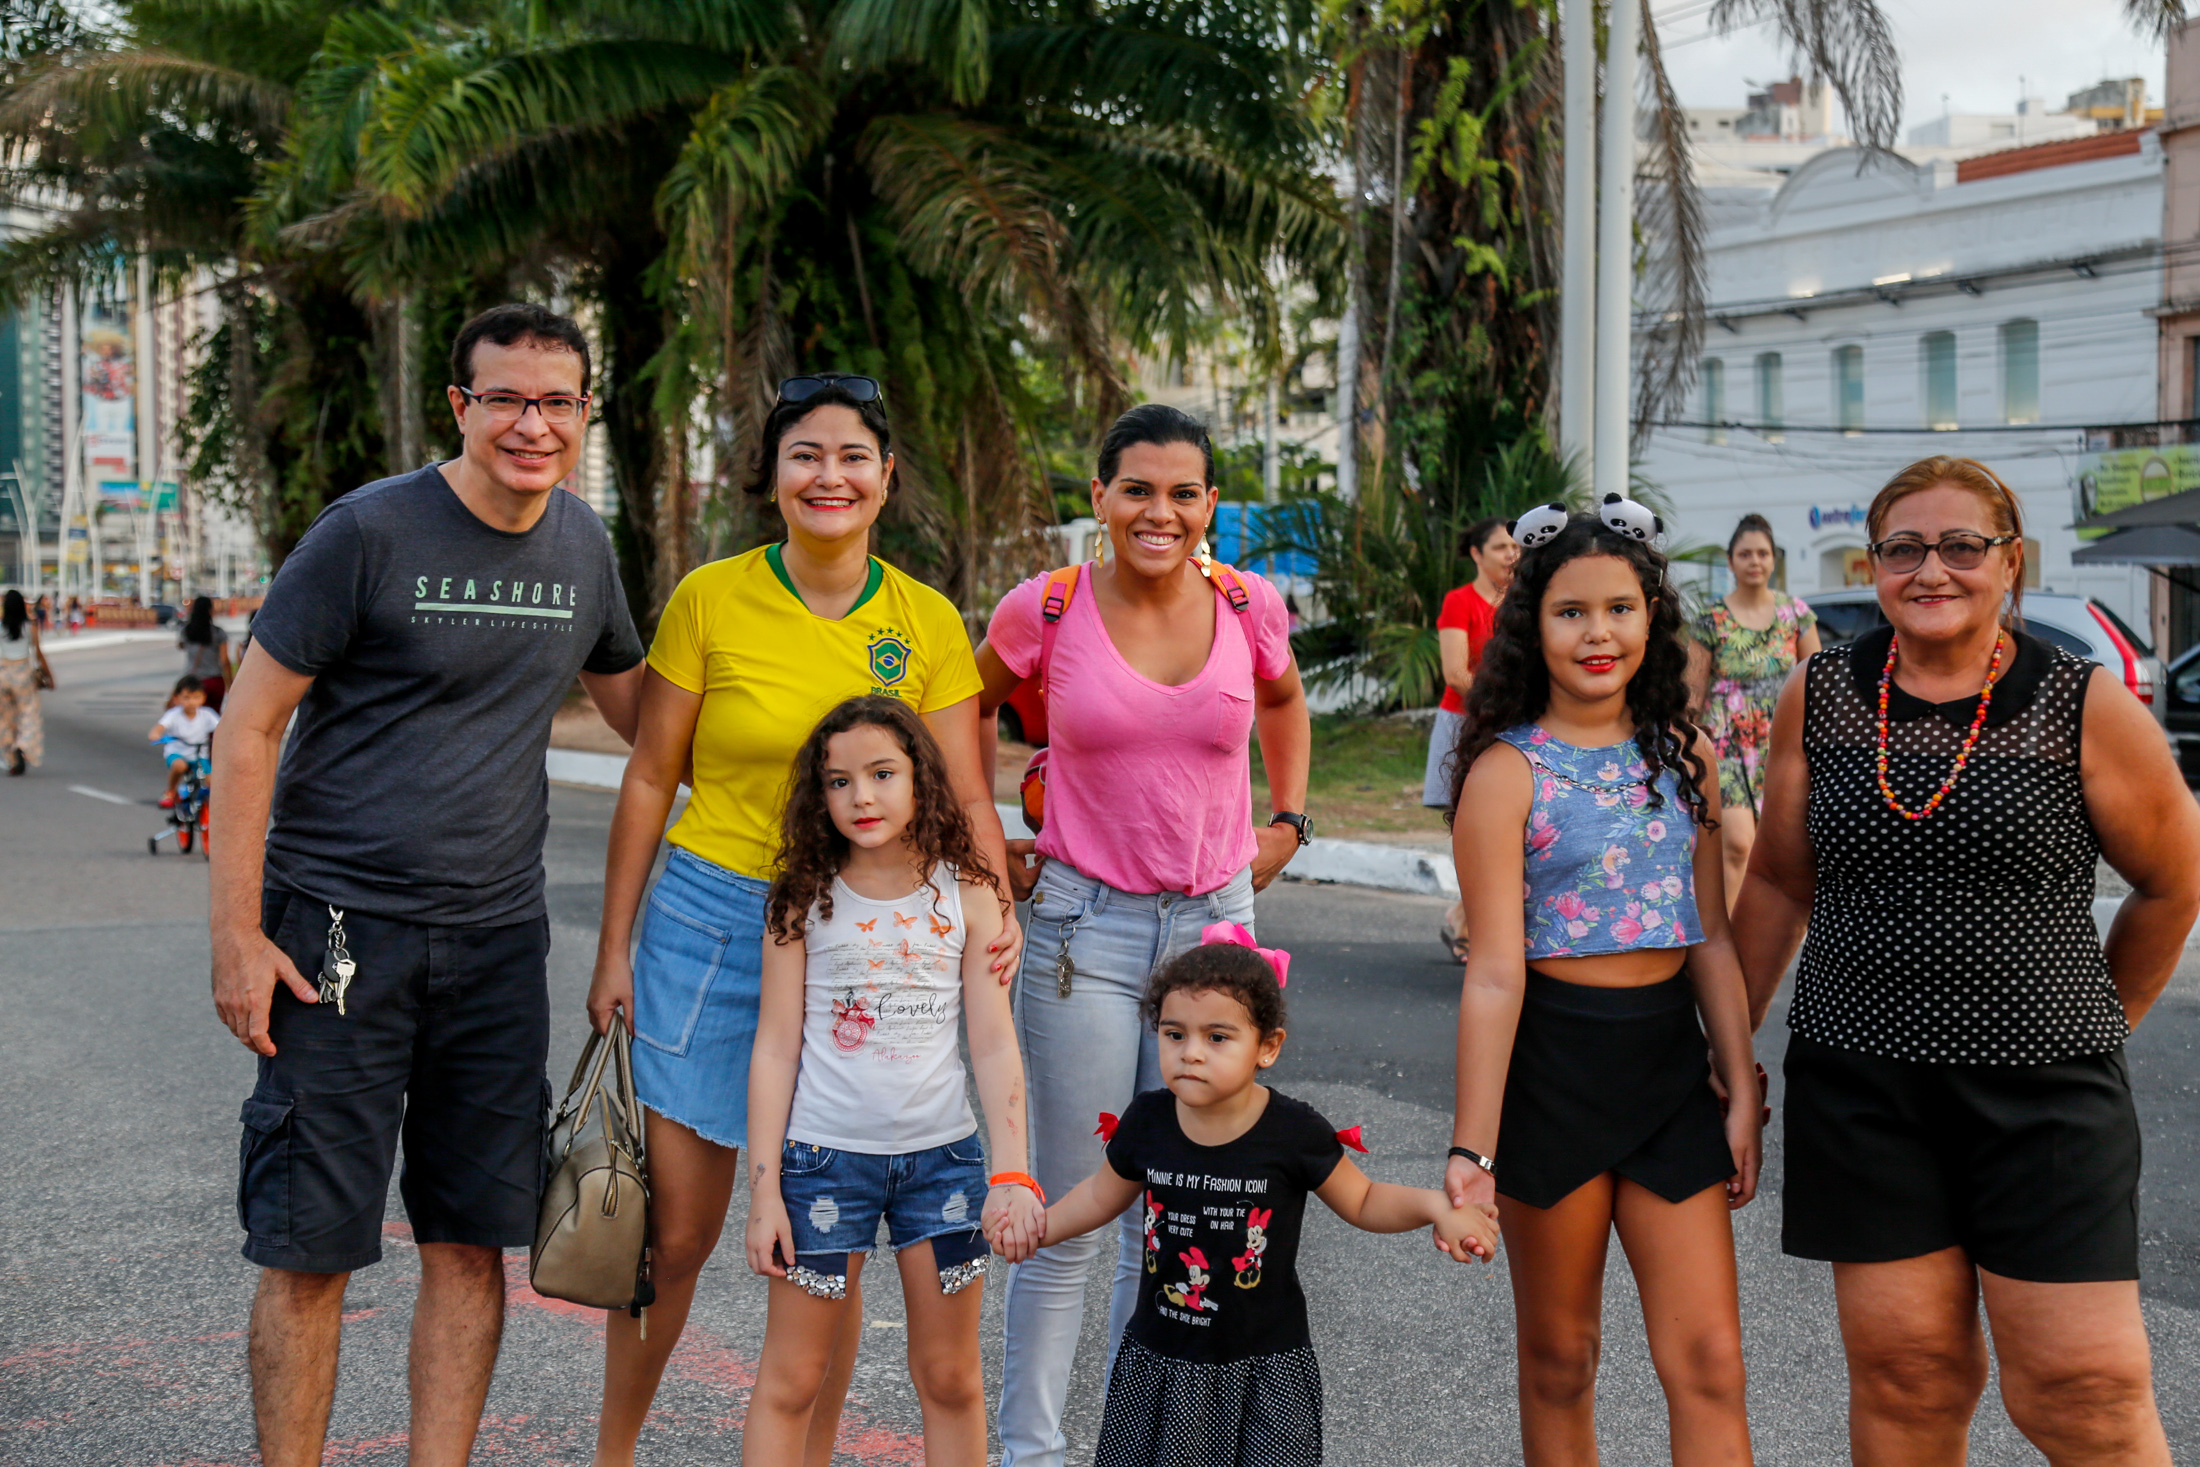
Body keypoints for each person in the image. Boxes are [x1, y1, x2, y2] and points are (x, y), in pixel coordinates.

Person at [208, 303, 646, 1467]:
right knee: (310, 1247)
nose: (530, 424)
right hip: (337, 939)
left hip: (498, 947)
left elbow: (653, 721)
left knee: (470, 1243)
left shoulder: (582, 548)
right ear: (459, 407)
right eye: (503, 397)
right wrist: (239, 938)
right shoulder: (368, 534)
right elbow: (247, 730)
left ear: (585, 415)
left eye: (555, 401)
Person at [586, 373, 1019, 1467]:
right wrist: (611, 947)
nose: (830, 476)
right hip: (717, 920)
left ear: (885, 477)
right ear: (772, 478)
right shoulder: (711, 599)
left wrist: (993, 900)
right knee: (676, 1233)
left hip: (868, 927)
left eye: (852, 456)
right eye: (805, 456)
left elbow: (965, 787)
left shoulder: (921, 617)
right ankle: (614, 1450)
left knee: (833, 1245)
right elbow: (649, 778)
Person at [1733, 456, 2200, 1466]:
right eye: (1903, 547)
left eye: (1959, 546)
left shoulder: (2078, 702)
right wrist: (1725, 1055)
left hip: (2044, 1100)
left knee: (2084, 1391)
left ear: (2008, 562)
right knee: (1909, 1378)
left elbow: (2170, 884)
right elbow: (1776, 881)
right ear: (1876, 563)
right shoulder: (1823, 694)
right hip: (1862, 1092)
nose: (1929, 568)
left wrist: (2099, 1021)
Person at [973, 402, 1312, 1467]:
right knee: (1070, 1203)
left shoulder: (1249, 603)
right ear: (1099, 499)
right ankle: (1031, 1449)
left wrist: (1288, 822)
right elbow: (964, 707)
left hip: (1216, 929)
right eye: (1137, 490)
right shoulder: (1048, 606)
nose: (1158, 511)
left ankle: (1141, 1446)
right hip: (1085, 927)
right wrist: (988, 834)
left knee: (1162, 1208)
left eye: (1182, 492)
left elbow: (1285, 699)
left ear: (1210, 505)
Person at [1445, 501, 1761, 1465]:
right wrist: (1473, 1150)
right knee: (1560, 1358)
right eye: (1571, 612)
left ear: (1650, 616)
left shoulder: (1686, 755)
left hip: (1670, 1074)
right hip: (1553, 1073)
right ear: (1532, 625)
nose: (1598, 633)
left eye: (1620, 608)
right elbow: (1495, 976)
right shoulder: (1506, 773)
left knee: (1710, 1360)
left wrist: (1743, 1088)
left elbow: (1710, 936)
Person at [1028, 933, 1497, 1466]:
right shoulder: (1147, 1122)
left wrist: (1436, 1207)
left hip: (1264, 1367)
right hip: (1162, 1360)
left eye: (1218, 1037)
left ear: (1267, 1047)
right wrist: (1036, 1228)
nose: (1192, 1053)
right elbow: (1096, 1197)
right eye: (1174, 1033)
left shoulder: (1293, 1131)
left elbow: (1363, 1200)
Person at [742, 697, 1045, 1464]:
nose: (862, 797)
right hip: (819, 1170)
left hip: (941, 1167)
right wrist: (765, 1191)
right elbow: (775, 1049)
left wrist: (1012, 1172)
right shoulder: (801, 900)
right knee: (792, 1379)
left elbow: (994, 1045)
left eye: (882, 774)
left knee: (949, 1378)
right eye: (839, 781)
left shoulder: (968, 893)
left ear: (922, 779)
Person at [1686, 514, 1819, 909]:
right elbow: (1693, 691)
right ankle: (1727, 943)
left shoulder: (1795, 613)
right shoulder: (1711, 619)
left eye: (1762, 553)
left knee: (1780, 848)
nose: (1754, 561)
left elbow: (1818, 681)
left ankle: (1765, 940)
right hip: (1725, 743)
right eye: (1745, 554)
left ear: (1773, 559)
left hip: (1783, 742)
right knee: (1739, 845)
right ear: (1731, 562)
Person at [1426, 516, 1521, 961]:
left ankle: (1464, 918)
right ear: (1476, 554)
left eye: (1514, 546)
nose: (1510, 555)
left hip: (1511, 725)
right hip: (1465, 724)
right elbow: (1455, 672)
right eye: (1500, 547)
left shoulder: (1522, 602)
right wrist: (1498, 703)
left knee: (1510, 834)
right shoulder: (1458, 601)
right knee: (1472, 831)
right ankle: (1465, 921)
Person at [1, 588, 52, 776]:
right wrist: (49, 676)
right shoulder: (30, 626)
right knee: (28, 715)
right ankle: (22, 745)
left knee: (6, 719)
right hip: (22, 676)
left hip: (2, 675)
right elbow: (38, 653)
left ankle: (12, 758)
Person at [152, 675, 220, 806]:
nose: (192, 702)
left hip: (199, 755)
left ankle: (207, 811)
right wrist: (156, 734)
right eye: (186, 698)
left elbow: (222, 727)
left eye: (196, 697)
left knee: (211, 780)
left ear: (203, 697)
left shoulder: (207, 714)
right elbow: (159, 727)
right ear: (177, 699)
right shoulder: (174, 714)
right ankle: (170, 791)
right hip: (177, 752)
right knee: (179, 766)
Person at [179, 594, 237, 711]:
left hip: (193, 682)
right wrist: (230, 684)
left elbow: (181, 645)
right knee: (213, 718)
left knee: (194, 718)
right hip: (214, 680)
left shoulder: (187, 631)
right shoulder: (218, 633)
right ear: (210, 610)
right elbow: (224, 660)